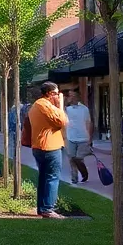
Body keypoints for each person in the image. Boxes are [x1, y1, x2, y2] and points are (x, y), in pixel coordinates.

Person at [28, 82, 68, 218]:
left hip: (40, 146)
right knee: (52, 177)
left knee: (44, 178)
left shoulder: (37, 105)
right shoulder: (43, 105)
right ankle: (48, 209)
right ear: (50, 94)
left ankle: (42, 208)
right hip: (49, 147)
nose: (58, 96)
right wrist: (60, 106)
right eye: (57, 94)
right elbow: (61, 121)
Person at [64, 89, 92, 184]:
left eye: (73, 95)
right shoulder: (67, 109)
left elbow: (88, 122)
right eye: (69, 95)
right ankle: (74, 178)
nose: (71, 97)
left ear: (77, 96)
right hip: (71, 137)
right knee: (72, 158)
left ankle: (84, 173)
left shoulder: (84, 109)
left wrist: (89, 137)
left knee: (79, 158)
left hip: (83, 137)